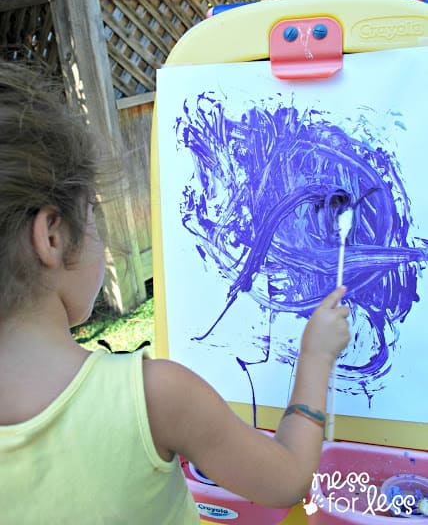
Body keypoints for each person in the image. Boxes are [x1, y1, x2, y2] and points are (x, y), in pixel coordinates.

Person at [0, 60, 350, 524]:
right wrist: (315, 358)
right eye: (94, 216)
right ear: (52, 236)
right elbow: (286, 480)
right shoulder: (154, 397)